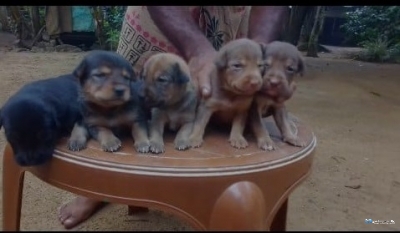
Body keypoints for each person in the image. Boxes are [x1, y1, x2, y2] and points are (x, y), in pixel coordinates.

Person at [58, 6, 288, 229]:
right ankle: (103, 186)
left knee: (224, 118)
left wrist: (261, 47)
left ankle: (210, 189)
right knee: (128, 106)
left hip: (231, 26)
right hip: (164, 18)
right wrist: (198, 51)